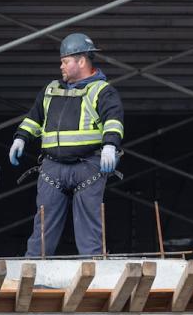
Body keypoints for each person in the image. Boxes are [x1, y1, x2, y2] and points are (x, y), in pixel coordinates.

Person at [8, 33, 125, 257]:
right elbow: (34, 118)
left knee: (89, 229)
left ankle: (93, 275)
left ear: (81, 61)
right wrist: (21, 137)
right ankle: (33, 272)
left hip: (88, 166)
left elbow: (113, 120)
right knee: (43, 226)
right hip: (53, 167)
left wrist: (110, 145)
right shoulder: (51, 90)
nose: (61, 65)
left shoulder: (102, 91)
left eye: (65, 61)